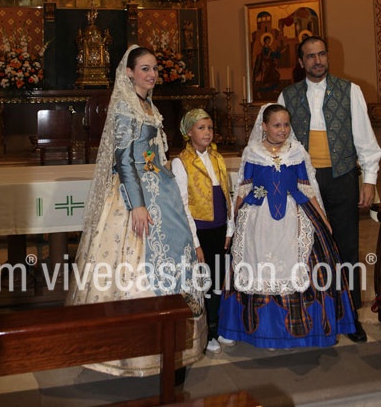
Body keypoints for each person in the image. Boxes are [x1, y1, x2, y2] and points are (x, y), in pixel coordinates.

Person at [66, 45, 207, 376]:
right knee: (132, 266)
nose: (152, 74)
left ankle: (174, 345)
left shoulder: (148, 105)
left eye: (154, 68)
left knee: (176, 256)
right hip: (135, 195)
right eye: (145, 68)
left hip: (161, 191)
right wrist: (138, 205)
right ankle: (135, 350)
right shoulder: (125, 106)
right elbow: (124, 160)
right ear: (129, 73)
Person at [217, 103, 356, 349]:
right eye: (276, 125)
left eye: (286, 125)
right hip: (258, 220)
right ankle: (255, 330)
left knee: (305, 267)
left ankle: (300, 331)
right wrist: (235, 222)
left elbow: (307, 186)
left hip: (295, 216)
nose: (282, 130)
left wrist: (322, 218)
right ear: (264, 126)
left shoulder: (297, 151)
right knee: (255, 268)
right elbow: (244, 187)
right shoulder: (253, 152)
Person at [279, 35, 381, 342]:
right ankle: (314, 314)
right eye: (311, 56)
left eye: (322, 54)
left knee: (346, 248)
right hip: (304, 182)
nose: (318, 60)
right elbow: (279, 141)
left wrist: (369, 180)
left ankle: (349, 317)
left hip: (341, 178)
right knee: (307, 249)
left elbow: (365, 140)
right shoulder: (288, 96)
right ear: (301, 62)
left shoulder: (350, 91)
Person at [171, 109, 235, 355]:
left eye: (209, 128)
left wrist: (230, 228)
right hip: (200, 231)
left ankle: (218, 326)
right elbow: (183, 204)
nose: (207, 132)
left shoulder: (217, 157)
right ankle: (206, 332)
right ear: (189, 132)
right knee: (204, 282)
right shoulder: (181, 162)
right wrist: (195, 242)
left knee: (219, 280)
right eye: (201, 128)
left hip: (220, 229)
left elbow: (226, 195)